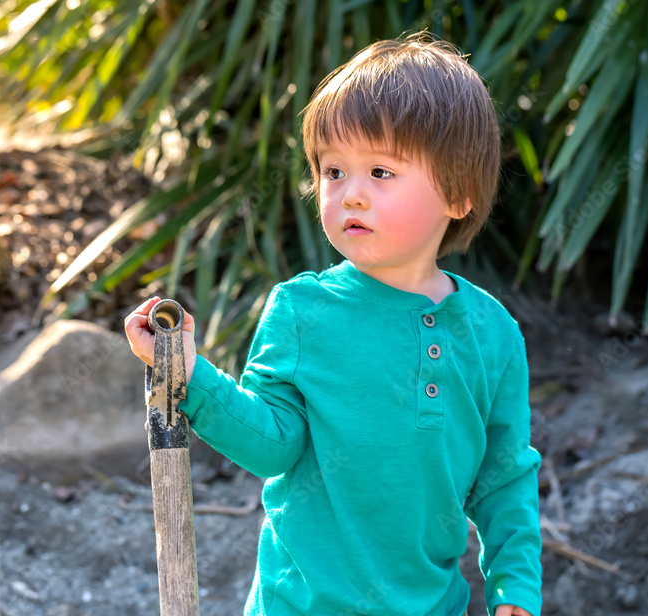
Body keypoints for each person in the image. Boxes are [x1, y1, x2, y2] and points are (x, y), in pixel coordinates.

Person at [124, 31, 542, 616]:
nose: (351, 195)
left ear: (459, 193)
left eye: (381, 172)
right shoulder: (301, 312)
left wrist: (515, 591)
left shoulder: (493, 335)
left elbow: (503, 480)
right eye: (333, 171)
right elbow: (272, 446)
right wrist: (188, 373)